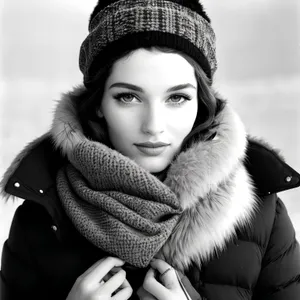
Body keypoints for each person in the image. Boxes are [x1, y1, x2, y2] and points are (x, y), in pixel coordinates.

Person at [1, 0, 300, 299]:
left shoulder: (263, 216)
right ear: (99, 104)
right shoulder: (41, 216)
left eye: (178, 98)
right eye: (129, 97)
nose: (153, 126)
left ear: (201, 104)